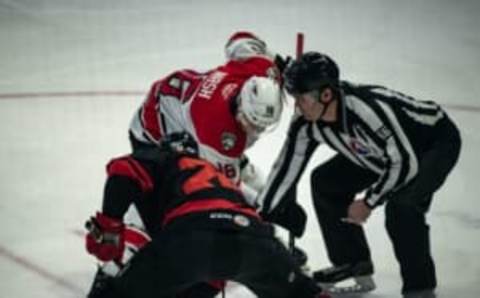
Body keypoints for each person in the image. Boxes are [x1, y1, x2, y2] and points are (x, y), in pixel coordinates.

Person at [257, 52, 462, 297]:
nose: (297, 106)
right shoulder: (305, 122)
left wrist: (369, 201)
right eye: (295, 98)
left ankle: (420, 289)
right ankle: (353, 262)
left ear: (326, 94)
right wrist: (261, 216)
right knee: (325, 182)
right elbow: (285, 168)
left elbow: (405, 163)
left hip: (430, 145)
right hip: (379, 152)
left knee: (402, 209)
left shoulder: (367, 111)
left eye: (302, 98)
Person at [84, 132, 330, 298]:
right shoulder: (219, 176)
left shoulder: (166, 159)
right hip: (253, 241)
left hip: (191, 238)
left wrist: (108, 228)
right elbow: (212, 270)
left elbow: (123, 170)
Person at [128, 31, 285, 206]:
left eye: (263, 127)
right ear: (242, 107)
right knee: (176, 205)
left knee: (257, 186)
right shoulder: (216, 129)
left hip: (184, 109)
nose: (257, 131)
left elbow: (240, 39)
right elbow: (227, 186)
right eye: (253, 123)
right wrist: (264, 207)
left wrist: (281, 64)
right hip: (152, 132)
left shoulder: (262, 71)